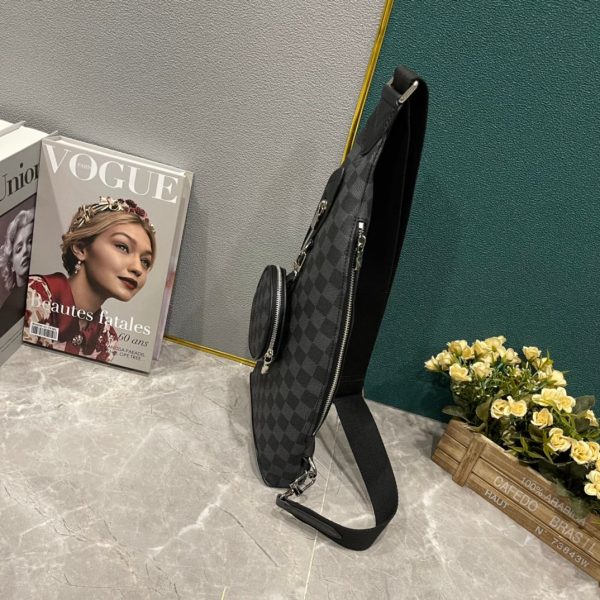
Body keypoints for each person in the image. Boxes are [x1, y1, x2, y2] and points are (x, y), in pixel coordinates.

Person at [23, 196, 156, 362]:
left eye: (145, 261)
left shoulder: (107, 339)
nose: (138, 268)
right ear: (80, 248)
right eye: (122, 247)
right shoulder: (33, 297)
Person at [0, 208, 34, 337]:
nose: (25, 250)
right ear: (12, 264)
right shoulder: (8, 310)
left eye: (30, 241)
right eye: (18, 249)